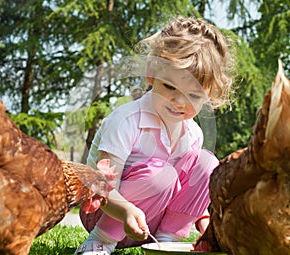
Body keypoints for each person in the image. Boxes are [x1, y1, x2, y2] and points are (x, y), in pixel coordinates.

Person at [74, 16, 234, 255]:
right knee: (163, 173)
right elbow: (101, 187)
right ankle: (99, 242)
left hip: (152, 222)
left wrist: (205, 223)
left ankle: (166, 241)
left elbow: (188, 191)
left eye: (194, 96)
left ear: (210, 95)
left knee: (207, 163)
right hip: (108, 212)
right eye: (170, 87)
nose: (179, 102)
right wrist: (126, 210)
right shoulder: (126, 121)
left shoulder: (193, 133)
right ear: (152, 73)